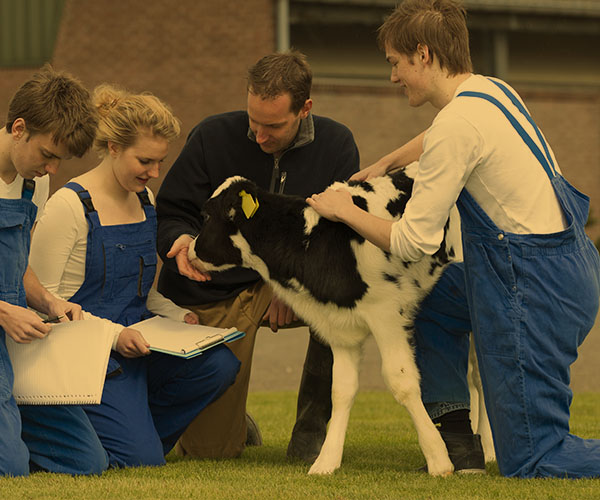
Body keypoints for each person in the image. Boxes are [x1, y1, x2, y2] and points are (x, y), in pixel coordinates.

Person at [307, 0, 600, 479]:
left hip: (534, 290)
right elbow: (438, 136)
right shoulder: (488, 92)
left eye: (395, 64)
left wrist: (346, 211)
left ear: (422, 55)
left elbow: (411, 244)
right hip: (565, 268)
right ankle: (455, 434)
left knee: (533, 459)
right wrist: (386, 163)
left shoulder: (457, 126)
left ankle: (526, 450)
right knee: (430, 301)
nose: (393, 77)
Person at [155, 51, 359, 460]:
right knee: (211, 452)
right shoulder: (212, 136)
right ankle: (233, 421)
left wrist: (288, 283)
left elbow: (338, 236)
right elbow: (173, 209)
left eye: (273, 126)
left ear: (305, 109)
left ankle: (311, 432)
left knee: (340, 303)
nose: (260, 135)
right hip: (217, 287)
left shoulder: (337, 145)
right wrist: (178, 241)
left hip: (295, 284)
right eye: (253, 121)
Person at [29, 84, 240, 468]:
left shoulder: (146, 201)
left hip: (141, 343)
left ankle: (129, 434)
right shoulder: (70, 207)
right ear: (112, 148)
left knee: (220, 365)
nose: (154, 173)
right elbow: (42, 303)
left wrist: (177, 315)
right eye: (145, 161)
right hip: (90, 354)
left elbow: (139, 290)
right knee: (142, 458)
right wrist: (114, 336)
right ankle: (118, 440)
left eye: (160, 162)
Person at [0, 65, 108, 476]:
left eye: (59, 161)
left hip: (19, 334)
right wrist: (3, 310)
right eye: (47, 155)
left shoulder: (35, 182)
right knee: (11, 470)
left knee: (87, 462)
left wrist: (48, 300)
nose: (52, 171)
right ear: (19, 128)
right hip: (5, 322)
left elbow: (16, 260)